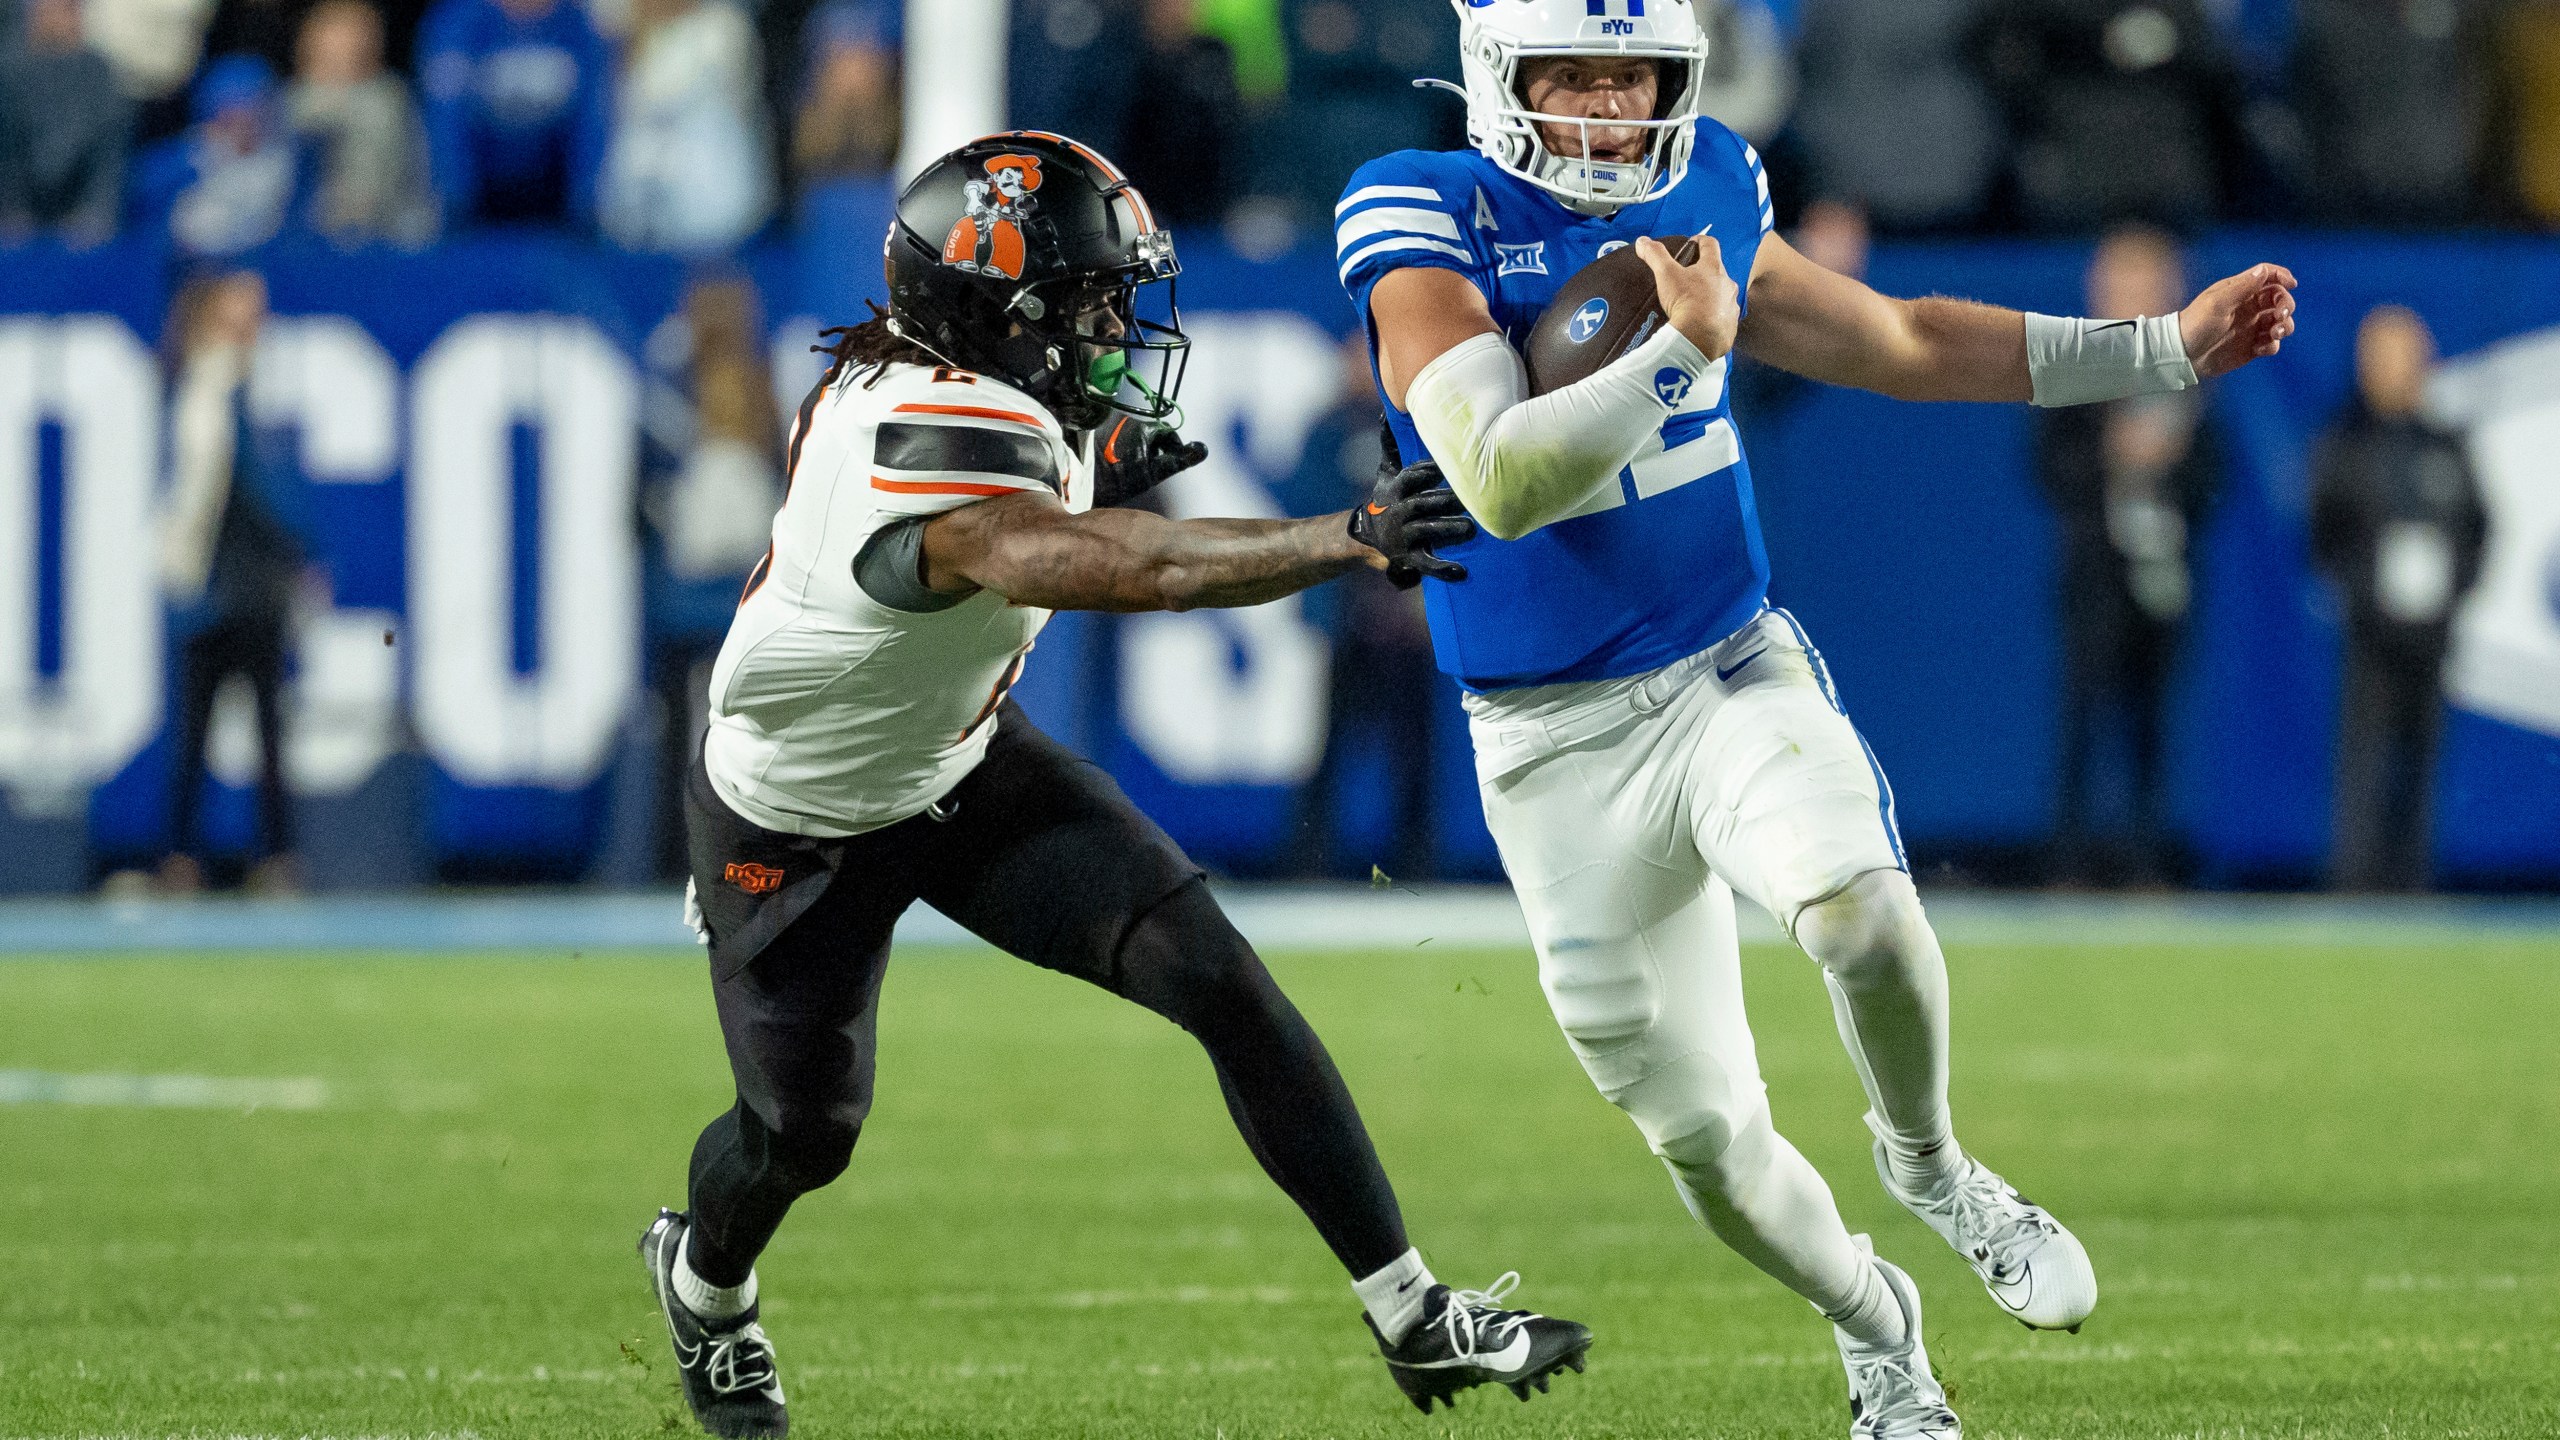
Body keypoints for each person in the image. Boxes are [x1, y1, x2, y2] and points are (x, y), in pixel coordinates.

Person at [1341, 3, 2293, 1435]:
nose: (1609, 105)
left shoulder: (1710, 180)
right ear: (1500, 77)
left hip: (1725, 665)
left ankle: (1931, 1164)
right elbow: (1497, 478)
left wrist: (2155, 349)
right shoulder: (1426, 205)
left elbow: (1902, 337)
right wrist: (1681, 352)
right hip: (1549, 744)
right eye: (1574, 74)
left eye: (1635, 74)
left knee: (1860, 915)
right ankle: (1879, 1332)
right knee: (1709, 1146)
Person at [639, 131, 1589, 1440]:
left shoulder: (963, 381)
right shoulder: (931, 444)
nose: (1115, 327)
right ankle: (705, 1287)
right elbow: (1129, 567)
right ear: (987, 314)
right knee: (803, 1134)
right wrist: (1342, 539)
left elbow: (1073, 478)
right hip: (795, 818)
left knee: (1218, 977)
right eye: (1086, 302)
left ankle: (1414, 1314)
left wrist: (1116, 457)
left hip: (959, 760)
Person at [2036, 227, 2221, 887]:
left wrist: (2168, 467)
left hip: (2164, 569)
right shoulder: (2070, 363)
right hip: (2094, 570)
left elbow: (2213, 475)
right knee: (2083, 716)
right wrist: (2113, 456)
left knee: (2154, 718)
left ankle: (2147, 861)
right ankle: (2070, 863)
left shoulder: (2190, 370)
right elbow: (2047, 467)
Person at [2310, 306, 2489, 893]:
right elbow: (2324, 530)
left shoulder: (2444, 442)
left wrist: (2454, 587)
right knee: (2363, 757)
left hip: (2431, 632)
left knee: (2420, 758)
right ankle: (2354, 882)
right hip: (2370, 630)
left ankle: (2411, 881)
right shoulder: (2344, 440)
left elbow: (2479, 527)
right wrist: (2358, 586)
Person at [156, 270, 315, 894]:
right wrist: (300, 549)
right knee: (252, 734)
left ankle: (189, 856)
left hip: (217, 587)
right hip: (235, 587)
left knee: (221, 735)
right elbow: (246, 487)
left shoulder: (203, 383)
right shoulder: (215, 386)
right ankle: (263, 857)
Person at [1278, 332, 1441, 882]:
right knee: (1328, 749)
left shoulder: (1416, 427)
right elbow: (1301, 510)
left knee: (1410, 753)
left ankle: (1415, 864)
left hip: (1405, 618)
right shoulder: (1328, 431)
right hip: (1349, 616)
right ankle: (1310, 861)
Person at [415, 0, 613, 228]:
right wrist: (458, 204)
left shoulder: (580, 25)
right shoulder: (458, 22)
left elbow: (592, 121)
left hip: (556, 201)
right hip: (479, 201)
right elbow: (446, 122)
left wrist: (584, 203)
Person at [598, 0, 772, 253]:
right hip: (634, 222)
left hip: (718, 223)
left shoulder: (722, 26)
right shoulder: (615, 33)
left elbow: (664, 89)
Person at [125, 54, 311, 255]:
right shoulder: (189, 153)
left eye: (253, 110)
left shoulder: (284, 164)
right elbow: (138, 197)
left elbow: (297, 226)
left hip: (257, 265)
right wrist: (194, 160)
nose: (244, 122)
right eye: (231, 111)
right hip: (183, 264)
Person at [286, 0, 436, 245]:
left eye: (362, 31)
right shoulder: (287, 104)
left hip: (384, 237)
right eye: (339, 31)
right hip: (306, 239)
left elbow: (420, 181)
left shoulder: (392, 99)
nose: (353, 42)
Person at [0, 0, 134, 245]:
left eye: (72, 8)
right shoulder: (8, 71)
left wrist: (96, 209)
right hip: (15, 211)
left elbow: (109, 150)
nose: (66, 17)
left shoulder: (99, 72)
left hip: (77, 208)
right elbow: (8, 152)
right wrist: (10, 210)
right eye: (56, 8)